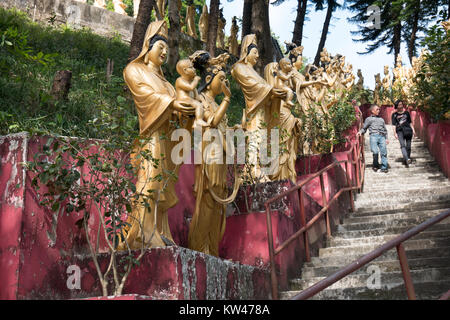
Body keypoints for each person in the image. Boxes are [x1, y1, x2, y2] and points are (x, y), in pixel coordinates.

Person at [119, 21, 195, 250]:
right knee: (150, 181)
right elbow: (146, 97)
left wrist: (186, 115)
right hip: (151, 134)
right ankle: (142, 232)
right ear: (147, 47)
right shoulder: (134, 70)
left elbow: (177, 111)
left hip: (167, 137)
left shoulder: (168, 84)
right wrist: (173, 104)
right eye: (159, 46)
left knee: (163, 187)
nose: (164, 52)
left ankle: (160, 231)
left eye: (166, 49)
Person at [175, 59, 210, 129]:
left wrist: (201, 101)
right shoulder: (180, 80)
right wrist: (196, 80)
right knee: (198, 105)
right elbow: (190, 88)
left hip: (190, 101)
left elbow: (196, 97)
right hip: (183, 100)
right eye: (191, 67)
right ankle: (199, 120)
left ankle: (195, 121)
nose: (194, 69)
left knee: (200, 106)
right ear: (185, 70)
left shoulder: (191, 82)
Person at [357, 105, 390, 173]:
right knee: (375, 151)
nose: (379, 110)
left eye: (379, 109)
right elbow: (364, 128)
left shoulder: (381, 119)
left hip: (382, 137)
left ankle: (384, 167)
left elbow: (385, 130)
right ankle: (375, 165)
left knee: (384, 152)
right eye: (377, 109)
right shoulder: (368, 119)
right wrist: (360, 132)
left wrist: (386, 138)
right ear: (372, 111)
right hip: (373, 136)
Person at [392, 99, 415, 167]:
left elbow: (410, 122)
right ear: (396, 106)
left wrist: (413, 130)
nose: (401, 106)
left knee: (408, 146)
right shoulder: (394, 115)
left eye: (401, 104)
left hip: (408, 130)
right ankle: (407, 158)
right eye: (399, 105)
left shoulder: (407, 113)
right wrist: (394, 133)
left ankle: (406, 159)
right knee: (402, 145)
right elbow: (393, 125)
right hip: (400, 131)